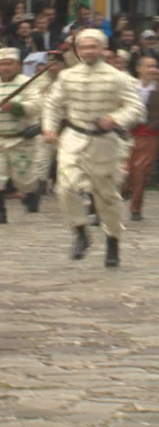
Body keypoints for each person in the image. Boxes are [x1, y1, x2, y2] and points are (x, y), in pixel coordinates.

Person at [44, 29, 145, 267]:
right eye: (83, 47)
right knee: (65, 187)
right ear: (77, 50)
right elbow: (52, 103)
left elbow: (136, 108)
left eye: (93, 47)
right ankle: (80, 232)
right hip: (73, 137)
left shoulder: (118, 78)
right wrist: (49, 128)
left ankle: (113, 241)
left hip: (105, 143)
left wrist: (115, 118)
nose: (88, 51)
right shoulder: (67, 76)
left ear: (102, 49)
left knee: (106, 197)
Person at [0, 48, 42, 225]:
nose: (5, 67)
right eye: (2, 64)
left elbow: (36, 105)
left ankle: (32, 195)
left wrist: (16, 107)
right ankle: (0, 212)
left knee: (25, 179)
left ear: (17, 65)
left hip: (21, 139)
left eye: (9, 64)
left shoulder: (27, 82)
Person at [127, 55, 159, 222]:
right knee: (126, 170)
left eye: (154, 66)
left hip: (150, 135)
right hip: (127, 133)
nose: (152, 70)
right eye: (148, 66)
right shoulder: (129, 87)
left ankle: (136, 207)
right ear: (138, 69)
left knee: (141, 170)